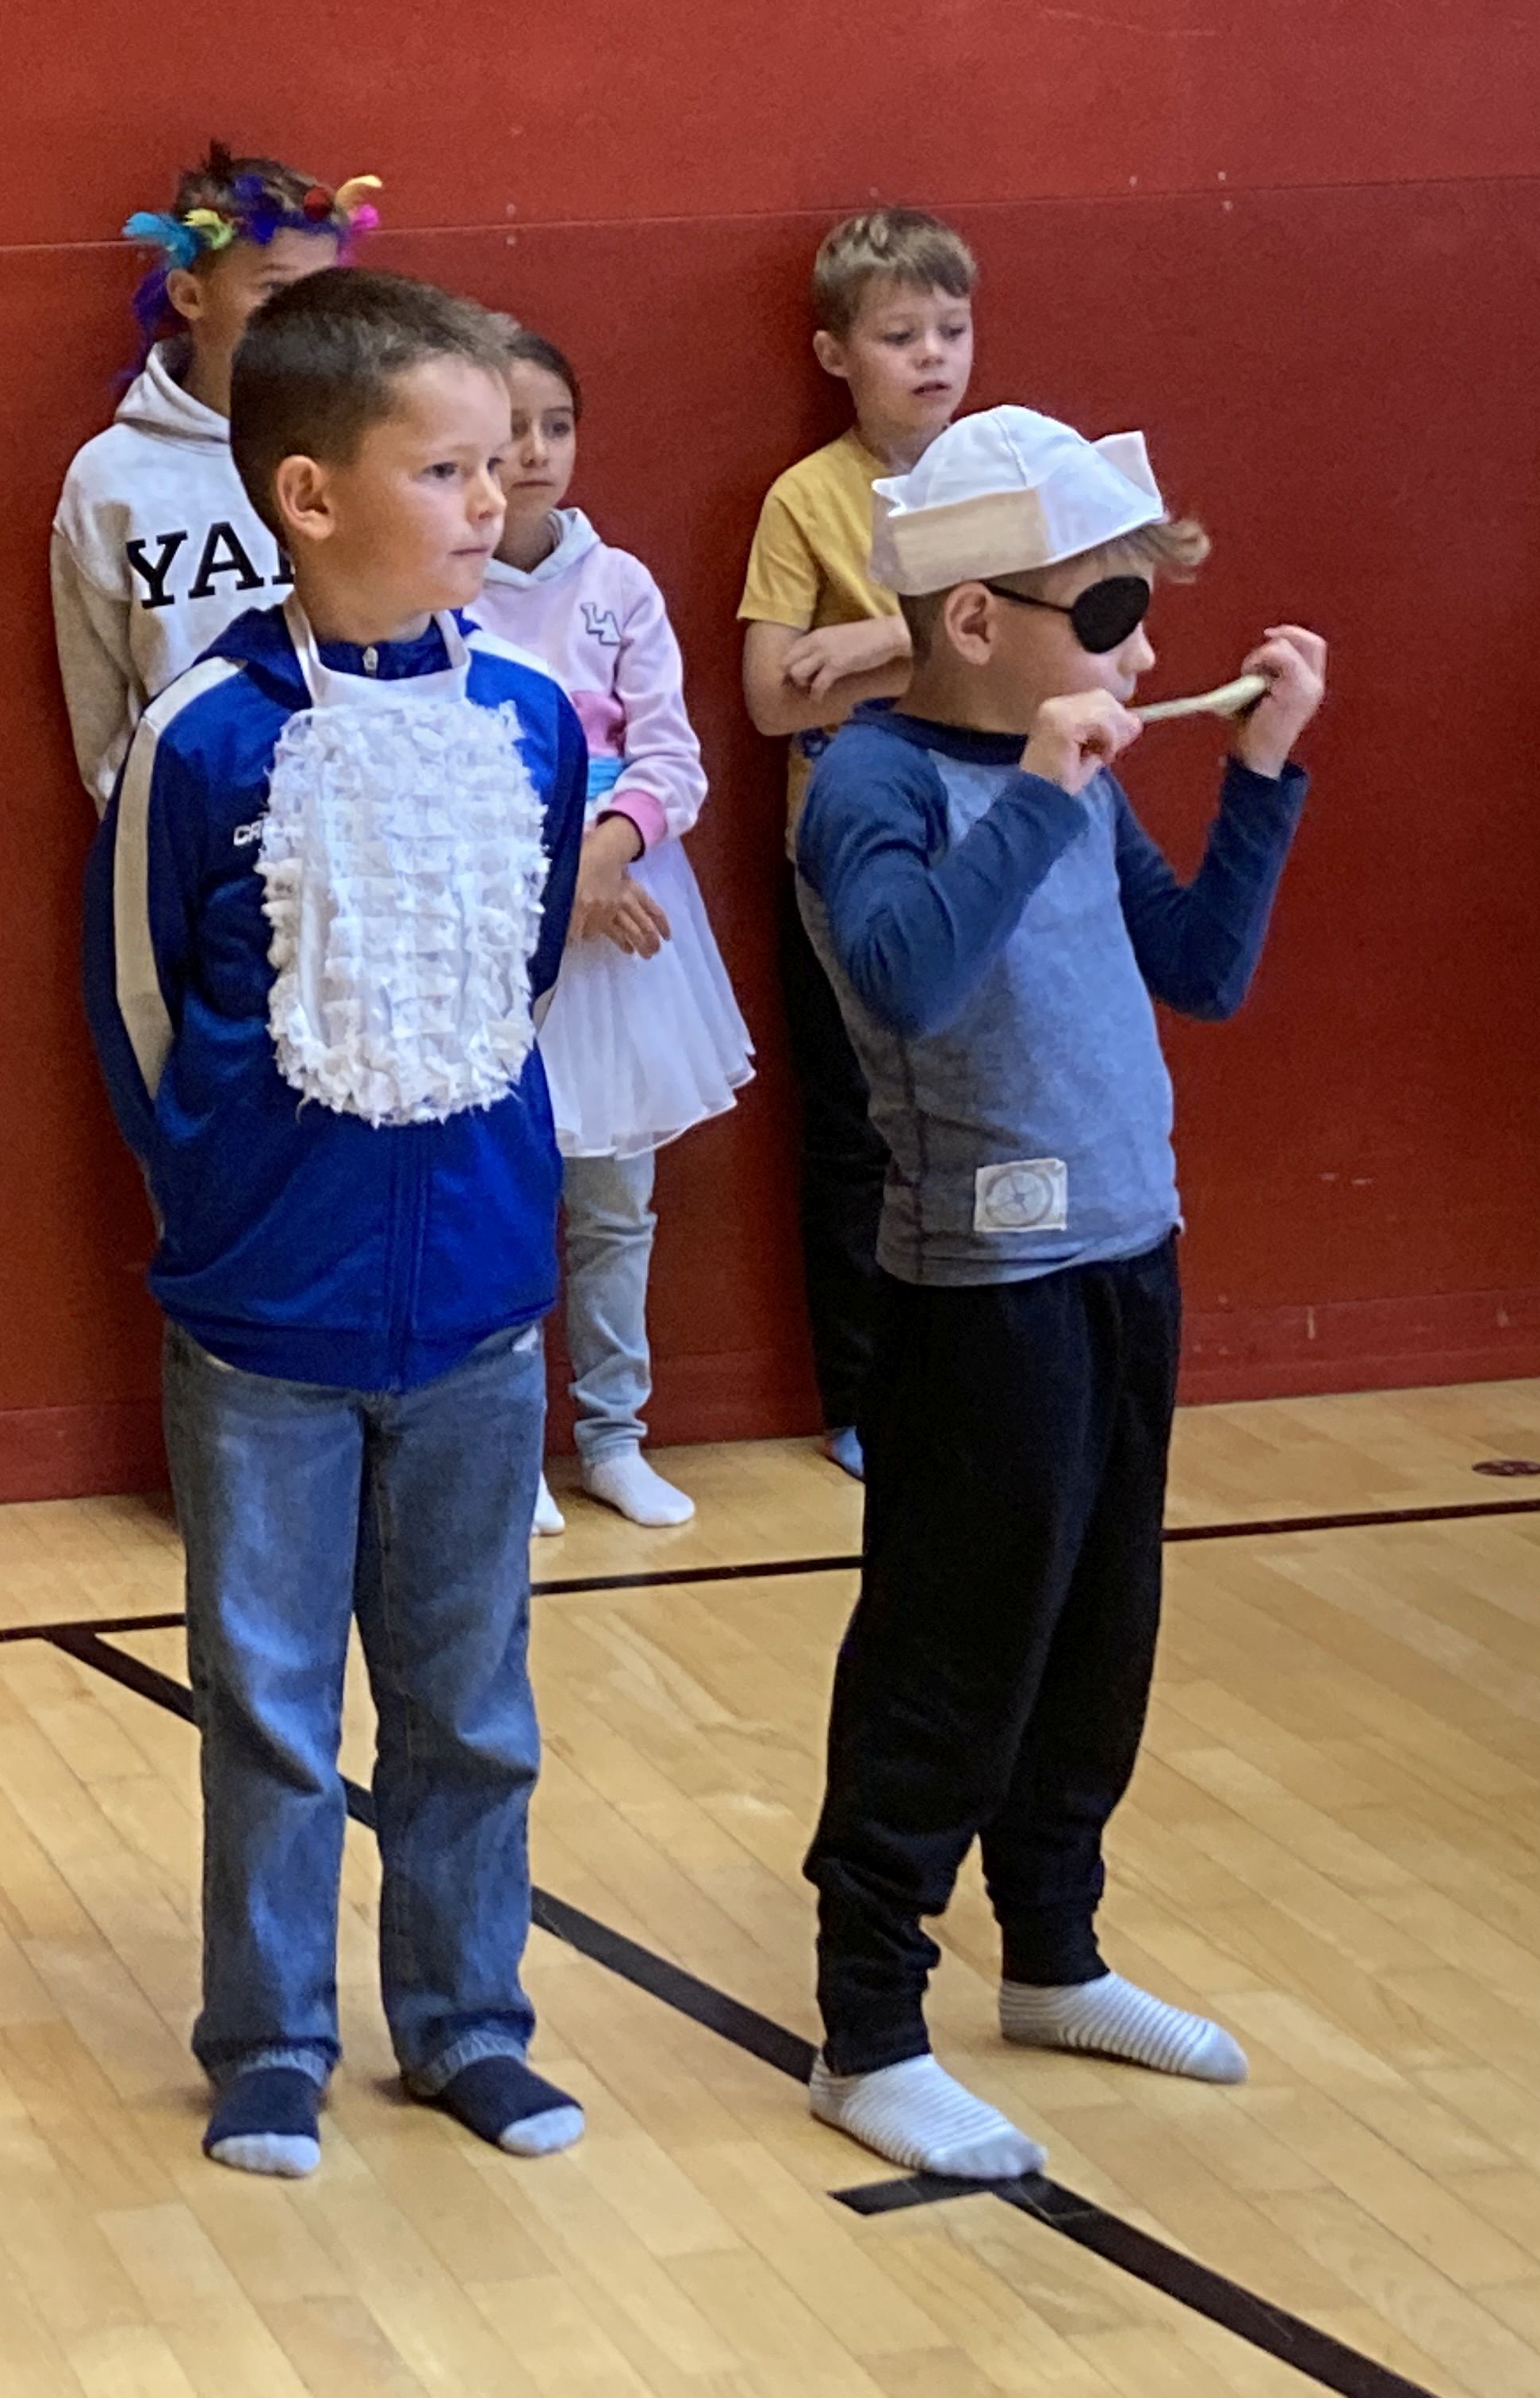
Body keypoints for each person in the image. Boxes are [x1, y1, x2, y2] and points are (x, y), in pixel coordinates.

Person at [84, 267, 589, 2178]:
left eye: (498, 463)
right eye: (446, 468)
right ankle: (271, 2038)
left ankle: (466, 2023)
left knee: (470, 1706)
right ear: (309, 494)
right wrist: (234, 1205)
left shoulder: (533, 722)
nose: (491, 497)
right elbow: (139, 1005)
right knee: (273, 1706)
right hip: (263, 1327)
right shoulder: (204, 735)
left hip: (477, 1315)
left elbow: (518, 973)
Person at [791, 406, 1327, 2180]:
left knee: (1100, 1630)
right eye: (1107, 615)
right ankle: (868, 2028)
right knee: (951, 1645)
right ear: (973, 620)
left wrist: (1261, 776)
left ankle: (1054, 1952)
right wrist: (1037, 792)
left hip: (1125, 1249)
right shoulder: (877, 783)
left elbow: (1206, 970)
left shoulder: (1069, 775)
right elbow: (907, 978)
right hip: (979, 1287)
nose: (1145, 655)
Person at [476, 324, 753, 1534]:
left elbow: (670, 756)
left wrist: (606, 852)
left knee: (614, 1205)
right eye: (508, 432)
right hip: (499, 933)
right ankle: (510, 1452)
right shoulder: (444, 589)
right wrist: (553, 878)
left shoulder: (620, 586)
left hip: (625, 929)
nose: (535, 453)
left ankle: (612, 1436)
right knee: (502, 1205)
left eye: (556, 427)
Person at [739, 209, 981, 1479]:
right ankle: (863, 1397)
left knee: (982, 1117)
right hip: (844, 856)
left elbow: (1038, 656)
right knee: (857, 1133)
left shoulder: (1009, 476)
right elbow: (775, 698)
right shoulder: (806, 499)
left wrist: (878, 644)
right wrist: (942, 646)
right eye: (901, 335)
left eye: (952, 329)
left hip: (983, 847)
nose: (933, 356)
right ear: (837, 353)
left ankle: (976, 1377)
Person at [50, 144, 379, 810]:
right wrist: (149, 824)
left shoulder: (374, 449)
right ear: (191, 295)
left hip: (365, 813)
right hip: (197, 826)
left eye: (322, 294)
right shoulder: (112, 479)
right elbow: (101, 710)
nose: (304, 320)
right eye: (275, 292)